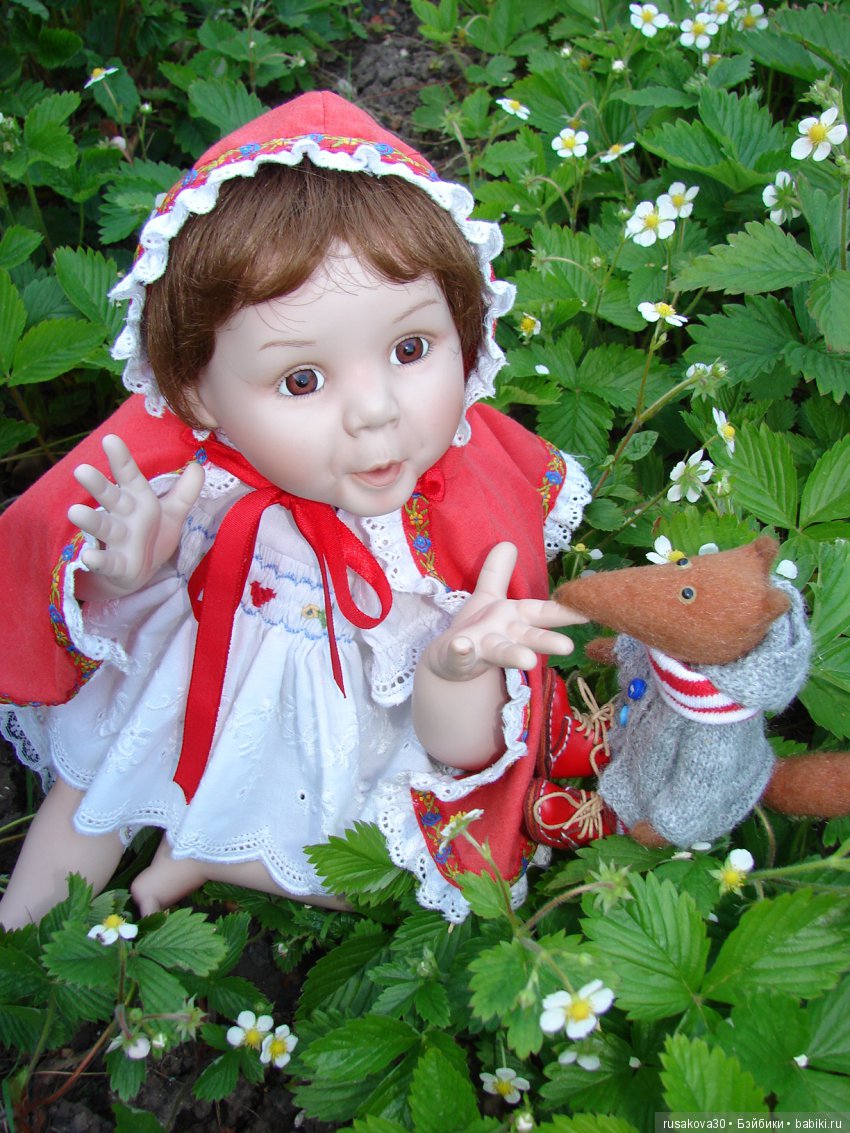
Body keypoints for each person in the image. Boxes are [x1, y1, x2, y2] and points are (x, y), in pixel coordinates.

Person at [0, 90, 600, 929]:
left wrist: (454, 669)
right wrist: (127, 568)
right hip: (201, 682)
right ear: (195, 394)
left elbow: (458, 750)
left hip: (348, 733)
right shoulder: (201, 483)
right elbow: (108, 596)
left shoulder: (438, 531)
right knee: (100, 770)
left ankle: (213, 852)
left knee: (393, 874)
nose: (375, 411)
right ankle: (21, 941)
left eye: (411, 347)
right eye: (302, 379)